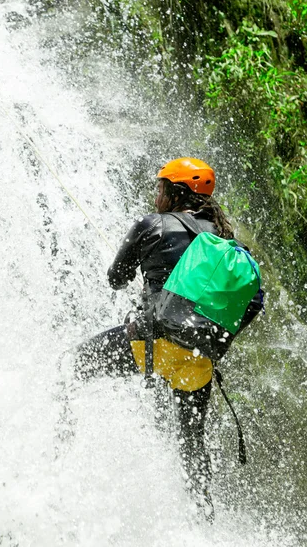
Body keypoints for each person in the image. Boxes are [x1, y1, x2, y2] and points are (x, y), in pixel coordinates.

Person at [72, 157, 262, 522]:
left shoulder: (152, 225)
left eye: (160, 187)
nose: (156, 194)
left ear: (175, 192)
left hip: (149, 344)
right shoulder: (224, 242)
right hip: (198, 361)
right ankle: (203, 520)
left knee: (70, 365)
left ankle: (57, 452)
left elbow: (115, 279)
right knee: (192, 442)